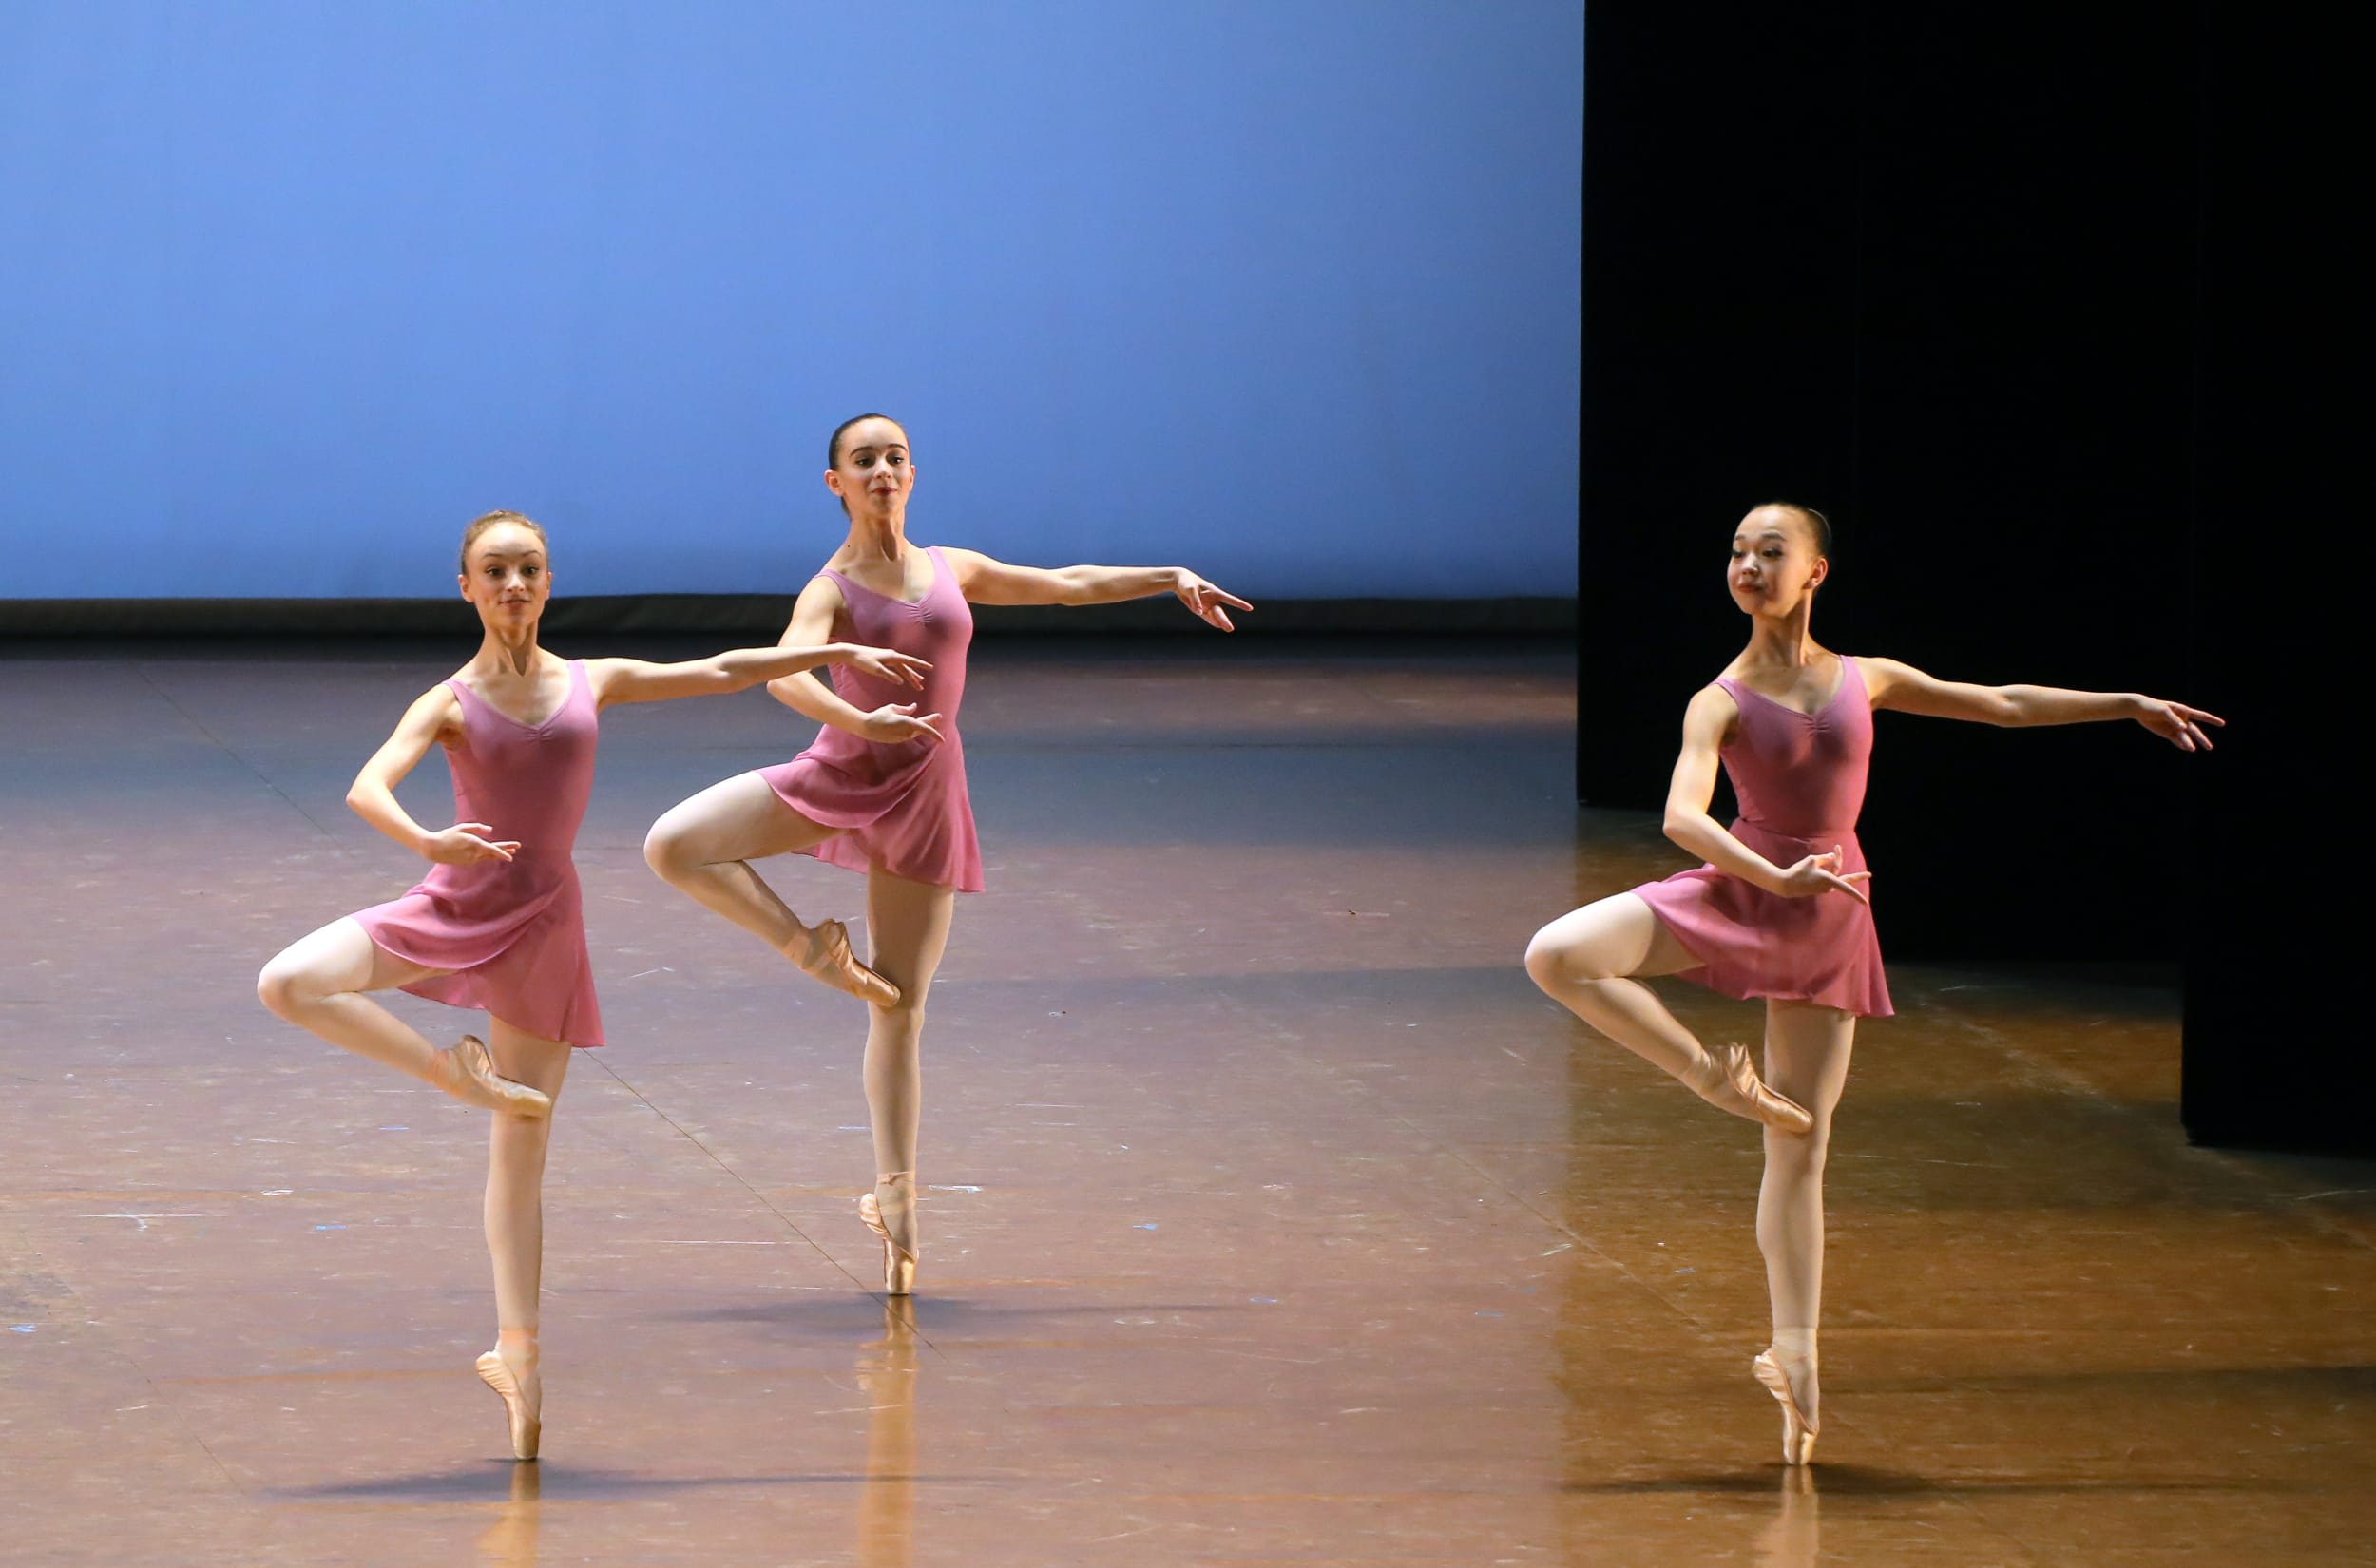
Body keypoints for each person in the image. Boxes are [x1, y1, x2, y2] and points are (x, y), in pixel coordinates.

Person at [1523, 503, 2221, 1465]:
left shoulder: (1868, 679)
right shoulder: (1716, 698)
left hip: (1831, 908)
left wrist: (2123, 704)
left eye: (1770, 551)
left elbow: (2002, 702)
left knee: (1801, 1145)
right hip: (1745, 883)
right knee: (1557, 953)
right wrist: (1769, 878)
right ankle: (1703, 1075)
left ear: (1815, 572)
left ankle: (1795, 1352)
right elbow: (1684, 815)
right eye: (1736, 551)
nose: (1747, 565)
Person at [255, 509, 928, 1460]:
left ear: (547, 579)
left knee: (521, 1148)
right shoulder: (448, 700)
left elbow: (718, 672)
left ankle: (519, 1357)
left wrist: (831, 666)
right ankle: (452, 1072)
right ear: (467, 588)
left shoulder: (588, 680)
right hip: (450, 907)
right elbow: (370, 785)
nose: (513, 584)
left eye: (528, 568)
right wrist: (426, 842)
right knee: (289, 981)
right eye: (494, 571)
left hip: (542, 930)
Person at [643, 413, 1252, 1297]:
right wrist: (858, 719)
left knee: (899, 1007)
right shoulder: (835, 586)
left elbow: (1065, 584)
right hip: (841, 772)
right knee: (675, 844)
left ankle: (895, 1199)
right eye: (863, 461)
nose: (881, 470)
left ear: (913, 474)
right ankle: (809, 948)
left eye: (894, 457)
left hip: (927, 793)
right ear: (835, 485)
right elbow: (785, 670)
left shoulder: (949, 568)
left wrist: (1168, 578)